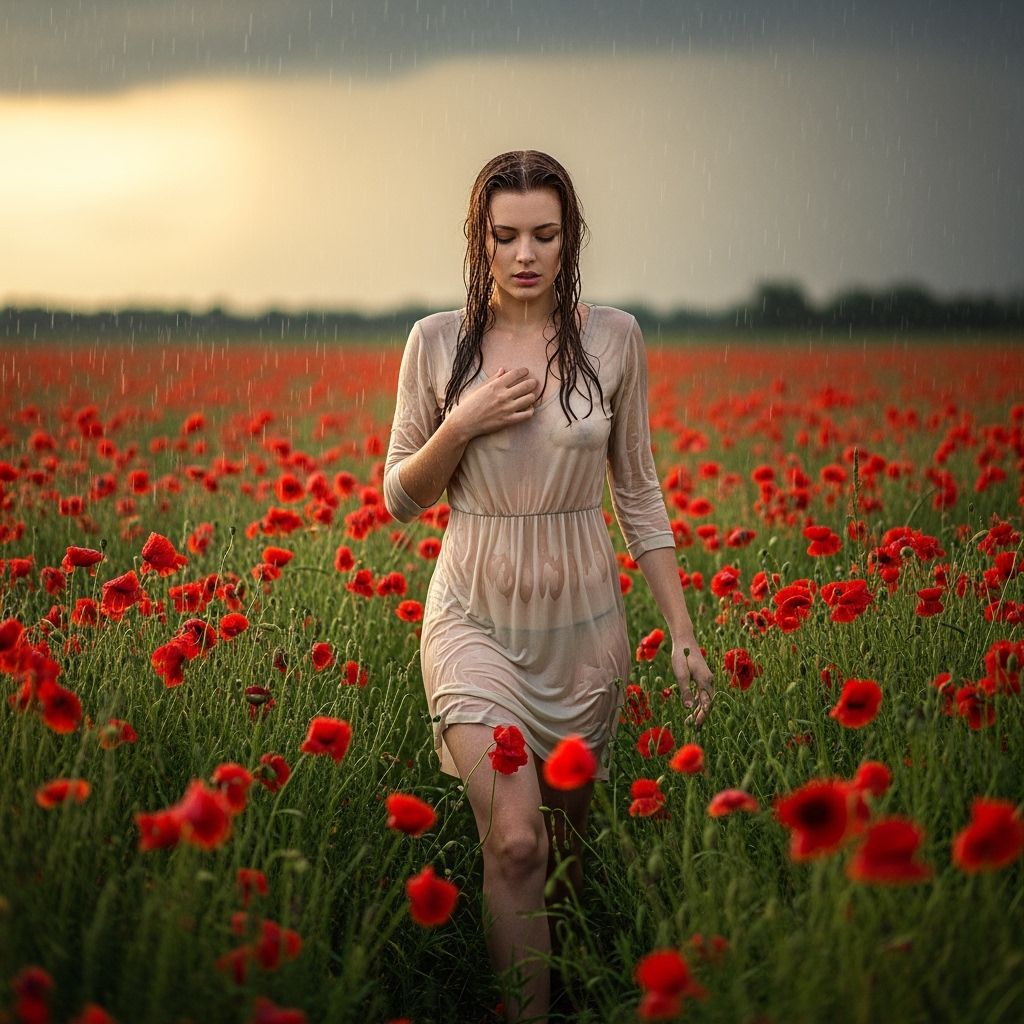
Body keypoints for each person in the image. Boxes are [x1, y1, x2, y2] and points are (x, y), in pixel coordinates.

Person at [383, 150, 713, 1023]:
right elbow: (400, 499)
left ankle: (549, 989)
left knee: (559, 852)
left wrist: (681, 633)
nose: (524, 253)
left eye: (544, 234)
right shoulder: (435, 343)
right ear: (478, 241)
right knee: (517, 840)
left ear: (570, 240)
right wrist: (463, 421)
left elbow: (637, 491)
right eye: (505, 235)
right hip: (472, 618)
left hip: (584, 630)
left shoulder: (613, 340)